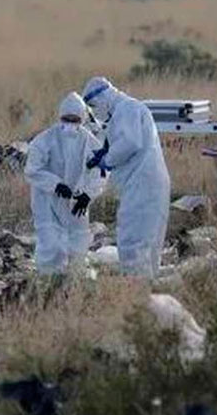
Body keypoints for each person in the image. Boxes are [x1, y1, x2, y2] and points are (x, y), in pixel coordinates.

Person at [82, 77, 170, 277]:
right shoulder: (125, 111)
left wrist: (107, 159)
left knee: (133, 238)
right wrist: (105, 151)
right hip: (147, 182)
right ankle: (146, 287)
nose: (95, 111)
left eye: (93, 105)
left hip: (142, 183)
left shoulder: (126, 108)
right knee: (148, 241)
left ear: (103, 96)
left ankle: (135, 287)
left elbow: (130, 143)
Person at [24, 92, 106, 275]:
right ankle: (48, 280)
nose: (70, 123)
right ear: (60, 117)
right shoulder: (45, 140)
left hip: (76, 202)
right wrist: (55, 184)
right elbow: (32, 170)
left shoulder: (90, 142)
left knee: (78, 243)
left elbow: (101, 171)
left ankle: (74, 282)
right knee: (50, 243)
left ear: (82, 119)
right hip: (47, 201)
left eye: (75, 120)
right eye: (66, 119)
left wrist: (88, 194)